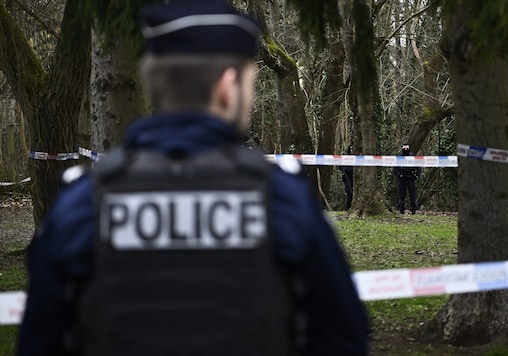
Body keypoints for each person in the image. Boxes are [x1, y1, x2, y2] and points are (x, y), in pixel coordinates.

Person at [17, 1, 368, 355]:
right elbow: (342, 338)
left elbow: (39, 339)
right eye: (251, 83)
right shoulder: (283, 200)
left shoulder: (82, 203)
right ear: (227, 87)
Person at [393, 143, 420, 214]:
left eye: (407, 149)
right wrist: (400, 175)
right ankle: (401, 209)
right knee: (402, 194)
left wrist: (416, 176)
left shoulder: (413, 157)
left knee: (412, 194)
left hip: (411, 178)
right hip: (402, 178)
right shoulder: (399, 157)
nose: (405, 150)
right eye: (404, 149)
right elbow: (395, 168)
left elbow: (418, 167)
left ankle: (413, 209)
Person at [338, 145, 354, 210]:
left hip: (356, 178)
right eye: (351, 149)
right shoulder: (346, 157)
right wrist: (344, 169)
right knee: (349, 194)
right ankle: (348, 208)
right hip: (348, 178)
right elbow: (340, 166)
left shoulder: (359, 158)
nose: (352, 150)